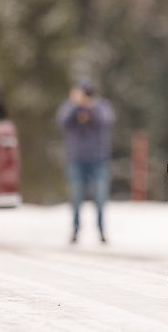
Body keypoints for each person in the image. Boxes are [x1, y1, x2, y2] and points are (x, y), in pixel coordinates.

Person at [56, 80, 115, 244]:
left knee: (100, 198)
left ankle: (102, 231)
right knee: (75, 198)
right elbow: (62, 121)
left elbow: (105, 120)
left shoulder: (101, 106)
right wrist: (75, 106)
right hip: (76, 160)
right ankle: (75, 231)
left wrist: (90, 107)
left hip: (99, 160)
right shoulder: (70, 107)